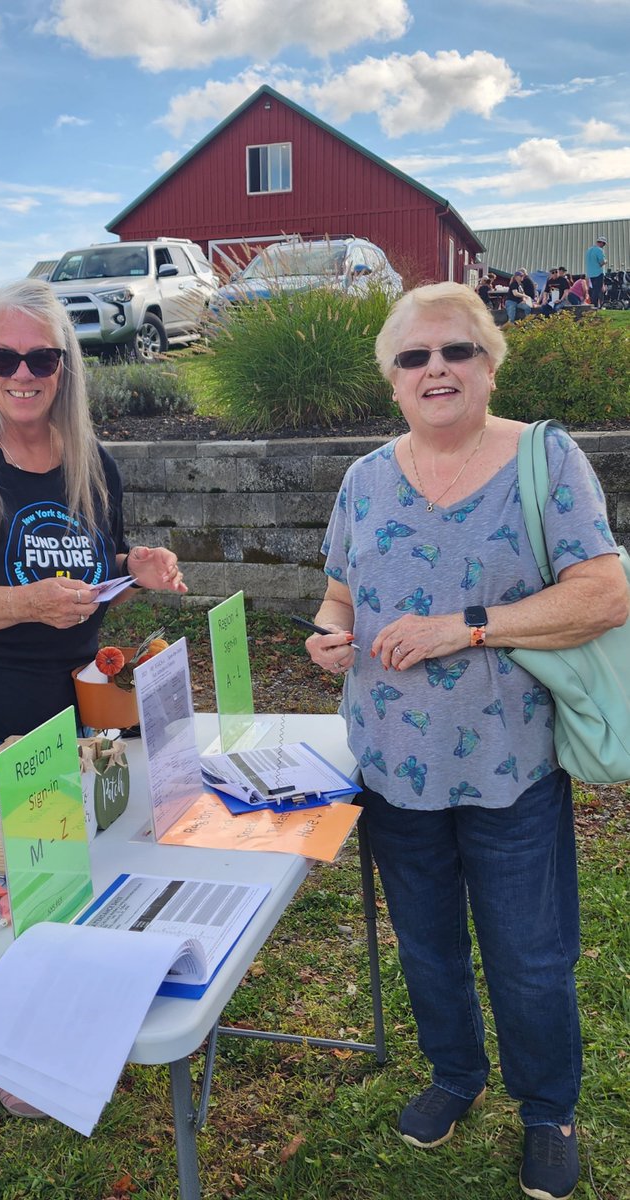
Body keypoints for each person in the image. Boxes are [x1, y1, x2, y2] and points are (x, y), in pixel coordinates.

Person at [304, 281, 628, 1200]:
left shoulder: (546, 461)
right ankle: (455, 1074)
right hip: (390, 767)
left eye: (456, 351)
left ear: (489, 364)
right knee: (427, 944)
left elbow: (605, 593)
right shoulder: (365, 478)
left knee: (529, 955)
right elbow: (338, 591)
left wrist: (470, 625)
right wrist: (328, 634)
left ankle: (548, 1108)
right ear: (393, 380)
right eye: (414, 357)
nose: (435, 368)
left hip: (507, 764)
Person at [0, 277, 187, 788]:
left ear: (64, 365)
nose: (22, 374)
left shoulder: (93, 465)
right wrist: (26, 603)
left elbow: (88, 577)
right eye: (3, 358)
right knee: (37, 865)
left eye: (42, 359)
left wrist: (131, 570)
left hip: (63, 721)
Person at [584, 236, 607, 307]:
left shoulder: (588, 250)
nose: (603, 246)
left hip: (590, 274)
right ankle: (594, 305)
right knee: (597, 290)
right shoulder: (599, 250)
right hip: (598, 273)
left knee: (593, 289)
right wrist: (606, 261)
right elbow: (601, 262)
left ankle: (593, 304)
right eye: (604, 244)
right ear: (602, 243)